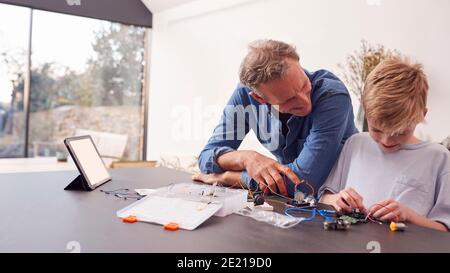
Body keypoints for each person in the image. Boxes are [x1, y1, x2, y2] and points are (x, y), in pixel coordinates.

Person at [193, 39, 357, 197]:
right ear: (260, 99)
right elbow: (207, 157)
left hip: (342, 198)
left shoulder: (332, 95)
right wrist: (247, 158)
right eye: (289, 100)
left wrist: (227, 178)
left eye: (304, 85)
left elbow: (302, 184)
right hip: (293, 203)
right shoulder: (244, 96)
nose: (305, 102)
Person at [320, 57, 450, 231]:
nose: (386, 141)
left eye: (400, 132)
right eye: (377, 130)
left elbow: (445, 229)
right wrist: (336, 199)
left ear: (422, 115)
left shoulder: (439, 159)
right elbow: (324, 198)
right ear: (366, 112)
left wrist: (410, 216)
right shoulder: (355, 144)